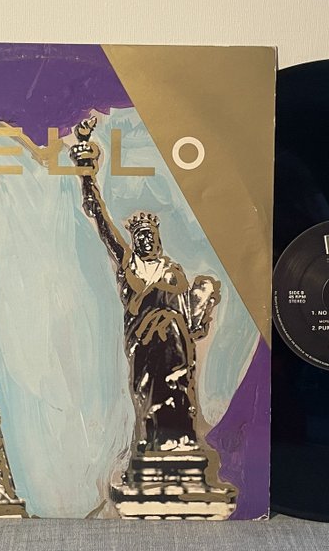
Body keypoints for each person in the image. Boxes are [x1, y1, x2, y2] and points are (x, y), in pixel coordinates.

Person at [70, 117, 221, 453]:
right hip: (143, 342)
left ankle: (180, 438)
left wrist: (204, 297)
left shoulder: (173, 271)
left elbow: (188, 314)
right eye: (140, 237)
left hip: (176, 345)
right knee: (149, 392)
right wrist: (86, 171)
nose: (146, 241)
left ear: (158, 239)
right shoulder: (128, 265)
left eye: (150, 236)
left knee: (177, 388)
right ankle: (152, 438)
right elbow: (100, 219)